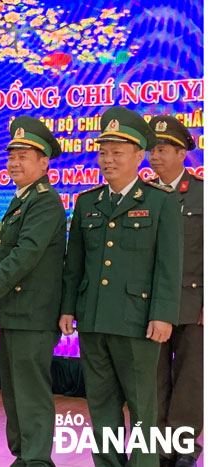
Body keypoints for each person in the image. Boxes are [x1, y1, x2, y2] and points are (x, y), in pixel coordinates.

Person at [60, 107, 183, 466]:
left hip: (137, 321)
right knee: (100, 404)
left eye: (117, 152)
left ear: (139, 155)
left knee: (143, 405)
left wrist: (163, 315)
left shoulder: (160, 202)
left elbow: (168, 265)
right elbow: (74, 265)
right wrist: (69, 308)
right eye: (103, 152)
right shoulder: (87, 202)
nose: (108, 160)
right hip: (94, 318)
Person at [0, 117, 66, 466]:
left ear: (44, 162)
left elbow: (25, 254)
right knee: (14, 392)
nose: (14, 163)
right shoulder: (22, 199)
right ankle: (24, 455)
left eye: (24, 156)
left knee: (30, 391)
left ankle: (36, 459)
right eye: (11, 156)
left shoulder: (45, 201)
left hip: (33, 314)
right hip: (15, 312)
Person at [148, 115, 203, 467]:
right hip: (150, 305)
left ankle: (183, 446)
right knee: (150, 379)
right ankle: (157, 445)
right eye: (151, 149)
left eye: (163, 149)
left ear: (182, 153)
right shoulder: (145, 194)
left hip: (192, 302)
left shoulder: (202, 194)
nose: (155, 156)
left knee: (190, 377)